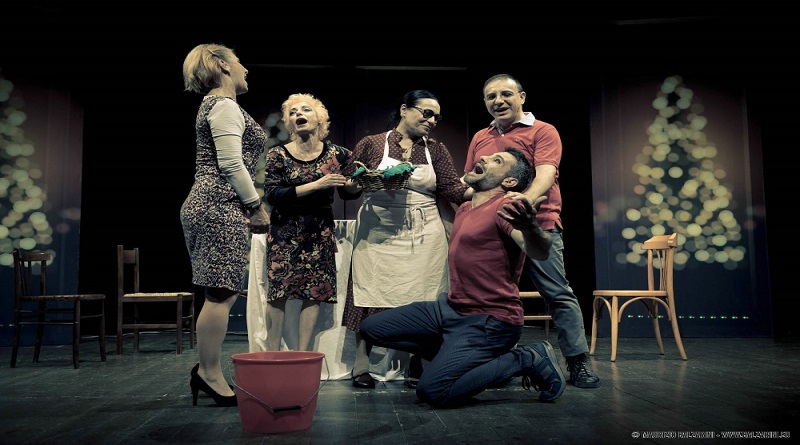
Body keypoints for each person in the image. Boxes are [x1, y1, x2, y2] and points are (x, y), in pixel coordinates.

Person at [360, 147, 565, 407]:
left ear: (509, 181)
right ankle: (459, 359)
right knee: (372, 329)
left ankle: (526, 358)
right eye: (488, 155)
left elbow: (539, 251)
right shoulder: (466, 207)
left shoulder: (505, 207)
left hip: (489, 320)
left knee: (433, 392)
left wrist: (531, 226)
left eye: (497, 160)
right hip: (451, 310)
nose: (484, 158)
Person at [463, 73, 600, 388]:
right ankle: (494, 363)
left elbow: (546, 174)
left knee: (557, 293)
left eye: (506, 94)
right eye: (491, 96)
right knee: (487, 297)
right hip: (491, 228)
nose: (498, 101)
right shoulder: (481, 137)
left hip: (538, 223)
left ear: (521, 97)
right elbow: (471, 180)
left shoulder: (543, 130)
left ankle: (577, 361)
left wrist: (524, 201)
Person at [339, 90, 469, 389]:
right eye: (426, 113)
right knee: (369, 292)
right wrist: (354, 183)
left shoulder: (436, 150)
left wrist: (485, 189)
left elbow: (451, 188)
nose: (432, 120)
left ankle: (417, 359)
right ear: (404, 109)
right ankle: (362, 361)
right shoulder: (372, 143)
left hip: (423, 233)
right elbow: (348, 187)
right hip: (378, 230)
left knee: (423, 295)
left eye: (436, 117)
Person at [180, 43, 269, 407]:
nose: (245, 68)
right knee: (220, 293)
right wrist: (255, 207)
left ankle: (208, 371)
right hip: (218, 204)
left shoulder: (219, 106)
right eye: (239, 61)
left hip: (215, 203)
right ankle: (209, 373)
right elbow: (231, 164)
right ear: (222, 65)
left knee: (220, 292)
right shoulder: (223, 105)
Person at [262, 93, 354, 352]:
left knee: (315, 292)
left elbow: (349, 191)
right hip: (284, 230)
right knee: (279, 293)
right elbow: (273, 195)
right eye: (292, 112)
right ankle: (272, 355)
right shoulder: (278, 154)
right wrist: (317, 184)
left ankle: (303, 355)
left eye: (305, 110)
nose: (298, 114)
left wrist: (354, 184)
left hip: (318, 231)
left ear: (320, 118)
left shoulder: (338, 154)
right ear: (289, 123)